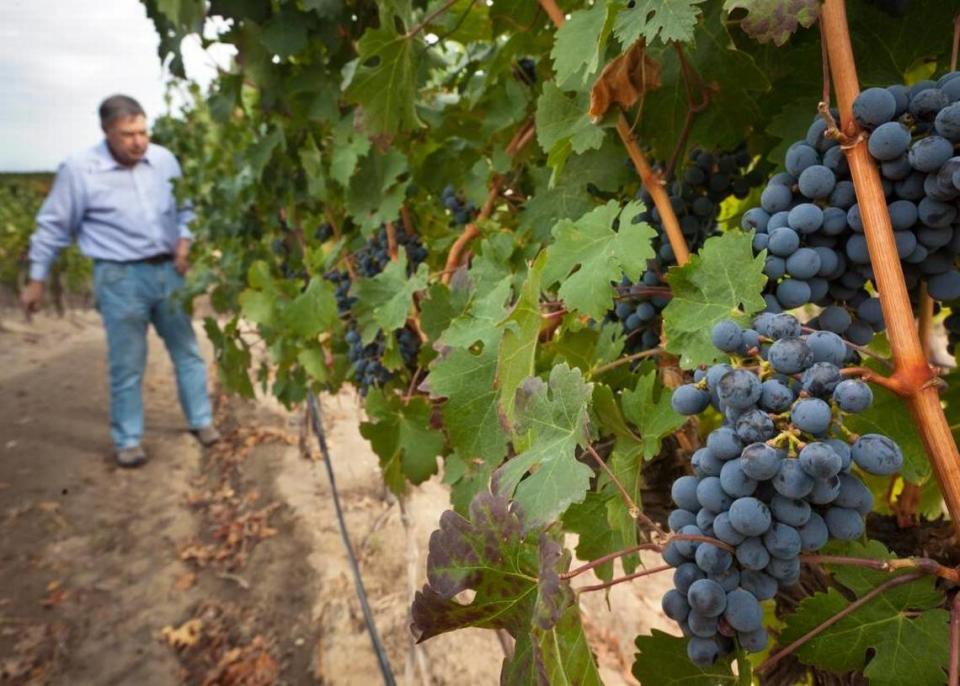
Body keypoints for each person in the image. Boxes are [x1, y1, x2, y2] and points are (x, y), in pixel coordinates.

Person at [20, 94, 219, 467]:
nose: (139, 142)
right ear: (106, 132)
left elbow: (186, 208)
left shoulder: (163, 161)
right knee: (127, 364)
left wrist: (184, 241)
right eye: (128, 134)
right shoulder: (80, 170)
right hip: (119, 277)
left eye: (143, 132)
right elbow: (53, 227)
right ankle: (128, 440)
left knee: (188, 351)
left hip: (168, 273)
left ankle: (202, 421)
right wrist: (37, 278)